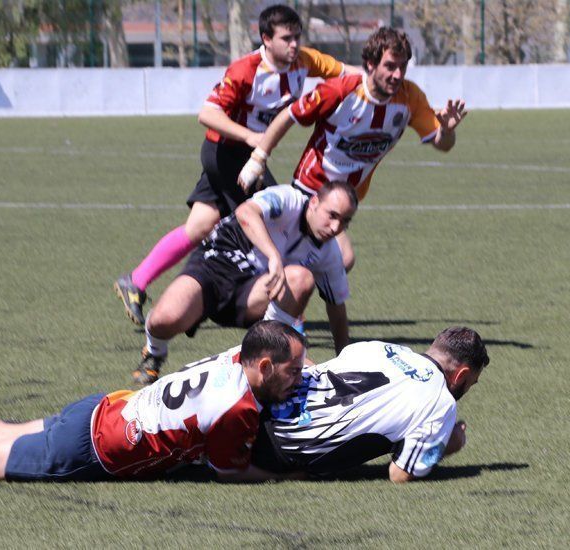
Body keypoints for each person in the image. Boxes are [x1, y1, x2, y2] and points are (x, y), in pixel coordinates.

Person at [114, 5, 361, 326]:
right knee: (277, 224)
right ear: (265, 39)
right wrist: (253, 138)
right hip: (226, 154)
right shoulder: (245, 70)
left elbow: (350, 73)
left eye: (297, 37)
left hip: (245, 156)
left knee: (200, 225)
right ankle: (284, 316)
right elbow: (207, 114)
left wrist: (381, 82)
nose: (294, 45)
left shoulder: (305, 60)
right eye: (286, 38)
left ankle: (136, 280)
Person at [0, 321, 305, 482]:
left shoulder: (237, 355)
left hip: (102, 409)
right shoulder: (240, 410)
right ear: (265, 366)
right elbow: (230, 471)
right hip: (94, 448)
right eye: (294, 371)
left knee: (3, 432)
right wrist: (286, 477)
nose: (299, 378)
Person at [238, 27, 468, 270]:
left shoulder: (410, 98)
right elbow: (289, 115)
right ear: (370, 64)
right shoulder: (341, 90)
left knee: (312, 268)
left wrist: (447, 131)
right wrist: (258, 158)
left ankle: (282, 301)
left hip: (348, 201)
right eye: (390, 66)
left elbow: (442, 144)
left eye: (402, 67)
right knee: (338, 260)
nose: (397, 74)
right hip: (311, 190)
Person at [135, 181, 357, 385]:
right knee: (164, 319)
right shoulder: (289, 200)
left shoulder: (329, 255)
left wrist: (346, 367)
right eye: (332, 215)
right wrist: (273, 255)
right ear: (315, 202)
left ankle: (269, 346)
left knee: (300, 278)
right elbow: (245, 212)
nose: (336, 227)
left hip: (252, 293)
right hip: (215, 266)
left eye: (345, 221)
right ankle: (154, 352)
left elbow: (337, 310)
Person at [251, 326, 488, 483]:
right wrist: (448, 444)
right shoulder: (440, 401)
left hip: (256, 403)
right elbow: (400, 473)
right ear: (461, 375)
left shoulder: (376, 346)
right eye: (471, 383)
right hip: (277, 450)